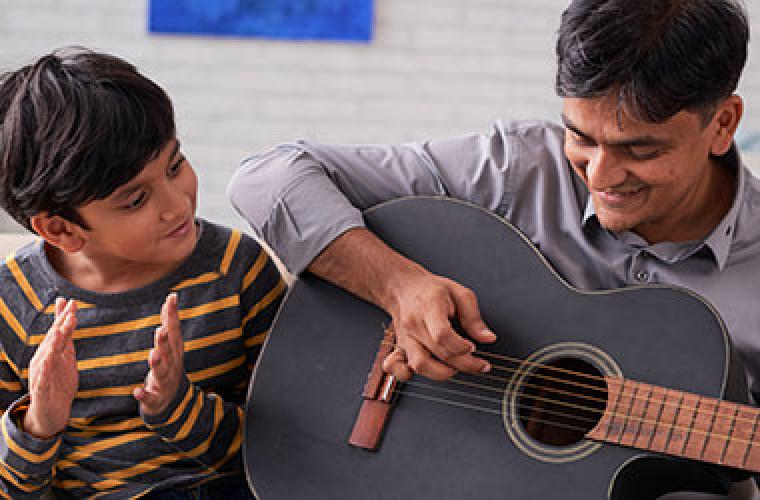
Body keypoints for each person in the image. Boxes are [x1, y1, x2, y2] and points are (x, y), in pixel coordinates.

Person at [228, 0, 760, 498]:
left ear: (723, 124)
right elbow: (268, 179)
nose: (601, 175)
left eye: (640, 149)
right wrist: (399, 287)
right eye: (581, 137)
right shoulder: (518, 168)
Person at [0, 48, 285, 499]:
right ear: (61, 228)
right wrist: (40, 423)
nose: (177, 204)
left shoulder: (237, 270)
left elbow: (288, 454)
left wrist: (177, 407)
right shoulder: (14, 305)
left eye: (175, 166)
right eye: (135, 200)